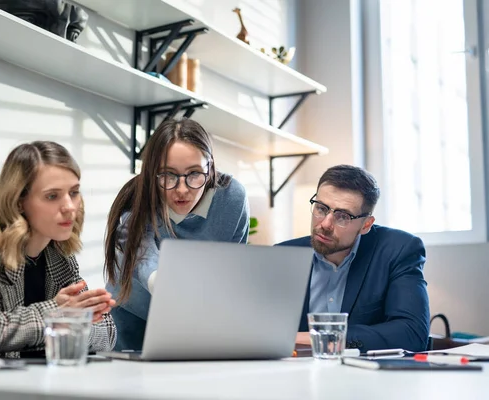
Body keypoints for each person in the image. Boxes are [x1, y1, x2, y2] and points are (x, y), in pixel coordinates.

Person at [0, 141, 117, 358]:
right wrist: (55, 316)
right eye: (52, 196)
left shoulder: (59, 254)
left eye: (74, 192)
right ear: (19, 201)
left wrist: (68, 320)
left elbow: (107, 333)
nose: (70, 207)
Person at [104, 118, 250, 351]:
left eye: (194, 174)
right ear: (152, 173)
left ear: (209, 166)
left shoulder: (232, 198)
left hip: (193, 323)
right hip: (131, 318)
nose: (182, 190)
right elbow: (145, 260)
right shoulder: (137, 202)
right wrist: (169, 287)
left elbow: (233, 264)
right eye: (168, 175)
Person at [277, 165, 430, 352]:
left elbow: (412, 334)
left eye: (343, 216)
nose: (325, 224)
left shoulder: (398, 250)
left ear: (366, 225)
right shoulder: (283, 255)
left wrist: (324, 337)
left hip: (367, 377)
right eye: (321, 208)